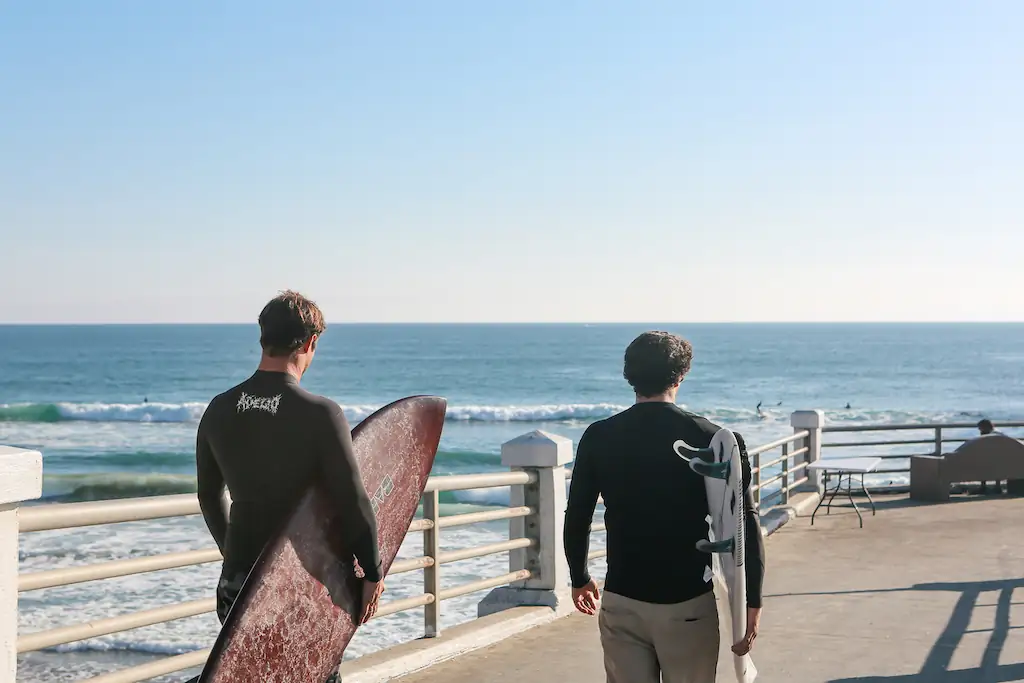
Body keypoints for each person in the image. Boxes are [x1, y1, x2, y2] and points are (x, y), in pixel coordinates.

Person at [193, 291, 383, 683]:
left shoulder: (219, 408)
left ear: (263, 339)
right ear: (311, 343)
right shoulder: (320, 413)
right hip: (304, 580)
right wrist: (372, 573)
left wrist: (236, 554)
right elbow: (352, 499)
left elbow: (210, 496)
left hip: (239, 581)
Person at [564, 330, 766, 683]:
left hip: (621, 598)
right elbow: (744, 522)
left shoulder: (599, 436)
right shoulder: (713, 440)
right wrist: (751, 601)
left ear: (630, 375)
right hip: (687, 602)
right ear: (682, 374)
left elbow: (578, 514)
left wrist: (579, 577)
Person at [977, 419, 1002, 494]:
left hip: (995, 457)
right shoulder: (998, 433)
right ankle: (997, 486)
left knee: (983, 463)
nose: (979, 430)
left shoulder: (990, 434)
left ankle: (983, 487)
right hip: (999, 456)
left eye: (980, 428)